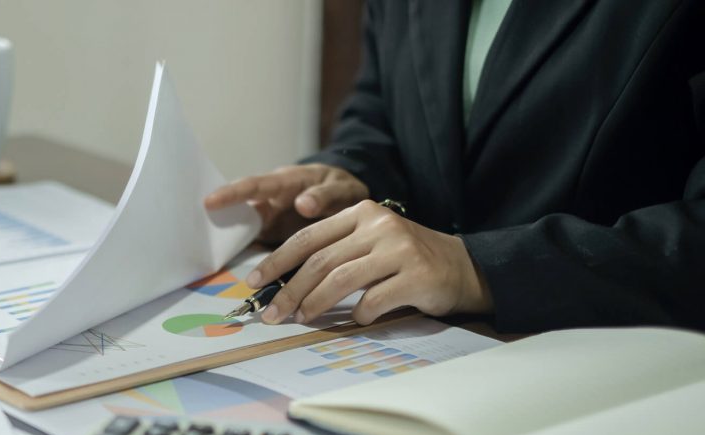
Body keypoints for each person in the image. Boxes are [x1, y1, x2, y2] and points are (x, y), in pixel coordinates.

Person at [204, 0, 705, 333]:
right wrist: (351, 177)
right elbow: (380, 108)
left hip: (608, 375)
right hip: (427, 349)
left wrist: (479, 268)